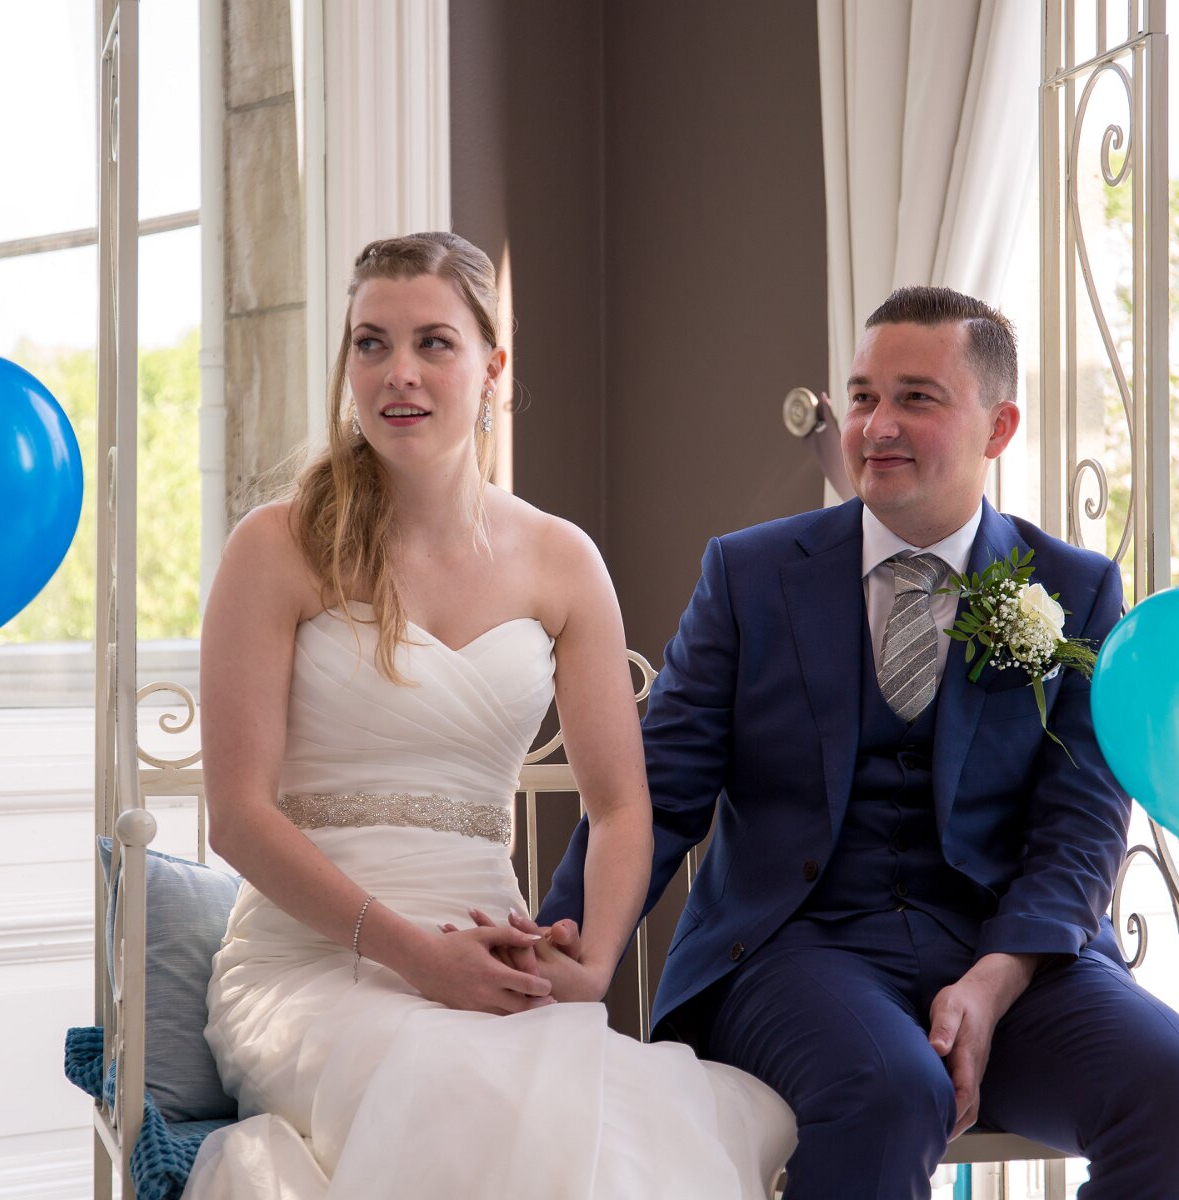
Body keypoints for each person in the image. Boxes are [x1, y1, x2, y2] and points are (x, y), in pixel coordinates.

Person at [536, 286, 1179, 1198]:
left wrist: (996, 980)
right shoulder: (750, 575)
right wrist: (563, 951)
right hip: (793, 954)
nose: (877, 426)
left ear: (999, 427)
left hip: (1008, 958)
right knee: (890, 1093)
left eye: (917, 398)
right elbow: (657, 796)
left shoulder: (1078, 590)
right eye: (864, 396)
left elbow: (1082, 826)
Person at [186, 232, 795, 1199]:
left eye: (433, 342)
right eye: (371, 343)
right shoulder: (277, 546)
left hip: (493, 962)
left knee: (621, 1130)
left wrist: (592, 962)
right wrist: (420, 960)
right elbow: (238, 818)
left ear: (492, 368)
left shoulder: (561, 559)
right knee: (459, 1095)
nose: (399, 372)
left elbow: (620, 806)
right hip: (309, 967)